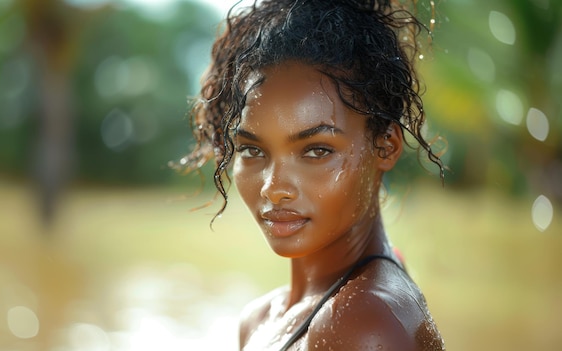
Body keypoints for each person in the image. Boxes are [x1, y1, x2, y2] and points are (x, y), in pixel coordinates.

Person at [178, 0, 446, 350]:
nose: (274, 189)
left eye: (316, 150)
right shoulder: (260, 319)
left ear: (386, 146)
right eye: (252, 150)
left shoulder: (363, 324)